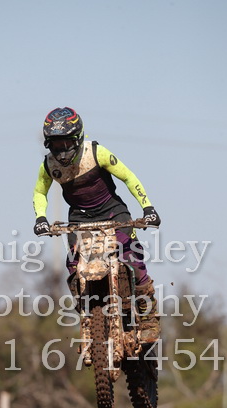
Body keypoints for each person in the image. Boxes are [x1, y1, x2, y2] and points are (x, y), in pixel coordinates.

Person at [33, 107, 161, 343]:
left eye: (66, 144)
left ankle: (148, 319)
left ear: (78, 139)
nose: (62, 152)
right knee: (73, 264)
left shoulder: (96, 153)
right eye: (56, 145)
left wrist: (148, 208)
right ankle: (88, 311)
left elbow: (128, 177)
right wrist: (41, 218)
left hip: (113, 213)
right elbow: (40, 192)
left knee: (132, 258)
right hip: (79, 219)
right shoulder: (48, 165)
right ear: (48, 145)